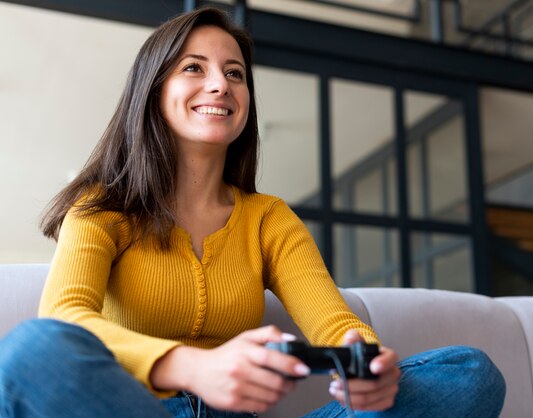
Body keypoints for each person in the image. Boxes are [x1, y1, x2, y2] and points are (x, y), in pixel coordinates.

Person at [0, 6, 505, 418]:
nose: (220, 84)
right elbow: (66, 319)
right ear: (153, 91)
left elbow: (332, 322)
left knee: (468, 374)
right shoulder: (101, 208)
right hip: (134, 409)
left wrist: (365, 363)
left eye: (235, 73)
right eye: (194, 67)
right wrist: (193, 368)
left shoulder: (268, 219)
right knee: (32, 351)